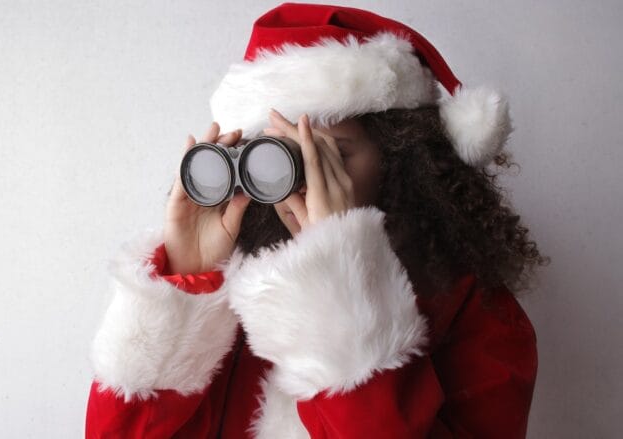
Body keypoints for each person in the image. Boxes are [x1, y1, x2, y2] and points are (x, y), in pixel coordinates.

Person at [85, 3, 550, 438]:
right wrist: (184, 286)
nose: (298, 181)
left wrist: (341, 296)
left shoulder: (482, 316)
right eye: (278, 156)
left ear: (402, 158)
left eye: (330, 154)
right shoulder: (234, 296)